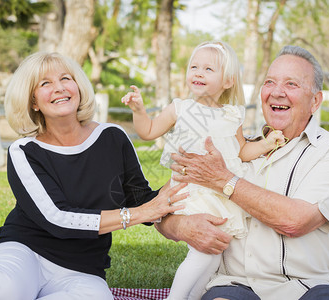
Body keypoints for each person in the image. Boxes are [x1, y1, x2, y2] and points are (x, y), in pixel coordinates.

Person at [0, 52, 187, 300]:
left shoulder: (113, 137)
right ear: (33, 102)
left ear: (78, 87)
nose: (59, 88)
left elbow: (141, 200)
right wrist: (139, 214)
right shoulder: (24, 151)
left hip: (82, 267)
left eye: (65, 78)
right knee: (6, 291)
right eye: (45, 83)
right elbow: (57, 217)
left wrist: (185, 175)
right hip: (26, 250)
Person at [156, 45, 329, 300]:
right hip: (234, 286)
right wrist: (182, 225)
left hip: (308, 287)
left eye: (291, 84)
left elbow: (295, 221)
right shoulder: (232, 147)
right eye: (269, 82)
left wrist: (224, 180)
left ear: (315, 101)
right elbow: (161, 209)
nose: (277, 92)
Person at [122, 41, 286, 300]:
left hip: (222, 192)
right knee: (203, 252)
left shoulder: (233, 114)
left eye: (208, 69)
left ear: (228, 81)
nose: (198, 72)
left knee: (213, 253)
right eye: (194, 67)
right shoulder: (181, 108)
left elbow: (241, 152)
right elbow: (148, 131)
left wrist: (266, 144)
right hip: (193, 191)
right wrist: (139, 111)